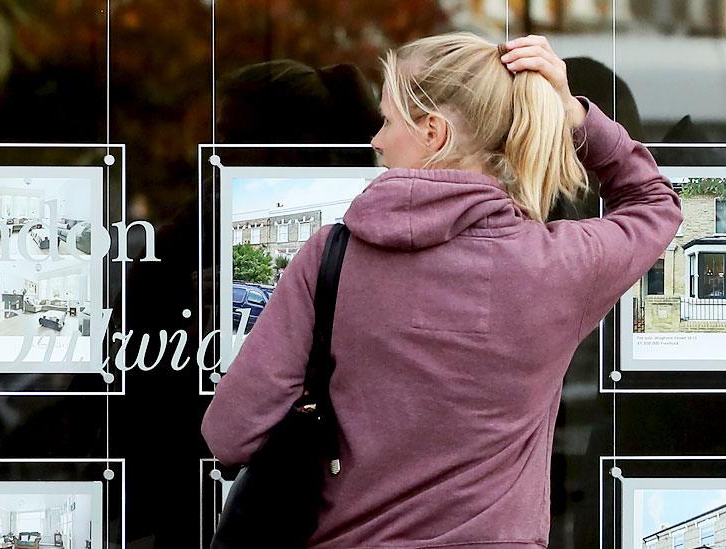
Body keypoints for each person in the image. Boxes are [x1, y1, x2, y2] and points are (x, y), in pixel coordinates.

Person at [201, 32, 682, 548]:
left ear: (434, 133)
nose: (375, 140)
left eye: (388, 120)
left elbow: (230, 432)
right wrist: (572, 113)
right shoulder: (559, 265)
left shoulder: (331, 257)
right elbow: (654, 202)